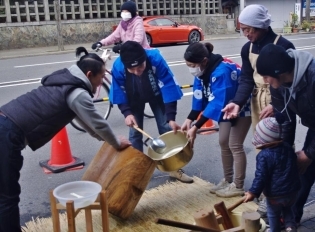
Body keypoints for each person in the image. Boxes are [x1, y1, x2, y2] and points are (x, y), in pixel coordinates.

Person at [0, 47, 131, 232]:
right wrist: (116, 142)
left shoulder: (67, 81)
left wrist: (103, 139)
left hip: (4, 123)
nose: (102, 82)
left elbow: (88, 123)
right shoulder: (78, 93)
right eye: (101, 77)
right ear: (89, 74)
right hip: (6, 134)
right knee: (7, 196)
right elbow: (98, 124)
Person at [256, 43, 315, 232]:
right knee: (301, 169)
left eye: (266, 76)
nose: (265, 81)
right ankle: (292, 215)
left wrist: (309, 154)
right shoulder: (279, 85)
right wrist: (286, 152)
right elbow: (286, 117)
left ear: (279, 71)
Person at [221, 3, 296, 219]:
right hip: (257, 101)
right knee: (262, 149)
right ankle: (266, 195)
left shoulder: (284, 44)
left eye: (249, 29)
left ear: (261, 26)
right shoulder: (247, 49)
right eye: (242, 29)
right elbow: (246, 78)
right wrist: (237, 102)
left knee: (282, 150)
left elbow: (292, 79)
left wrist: (278, 103)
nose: (246, 34)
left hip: (280, 101)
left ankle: (284, 200)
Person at [110, 40, 193, 183]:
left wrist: (171, 117)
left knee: (166, 128)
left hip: (157, 95)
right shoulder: (118, 67)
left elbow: (168, 84)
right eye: (132, 70)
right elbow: (118, 91)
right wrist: (127, 113)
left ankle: (173, 168)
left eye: (140, 67)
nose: (137, 72)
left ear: (144, 59)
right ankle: (138, 170)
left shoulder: (155, 58)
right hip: (133, 99)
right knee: (135, 134)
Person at [181, 42, 251, 196]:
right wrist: (189, 119)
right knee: (223, 142)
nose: (191, 68)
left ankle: (238, 185)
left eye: (192, 65)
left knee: (235, 144)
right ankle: (228, 179)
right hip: (226, 107)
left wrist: (196, 126)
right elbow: (199, 96)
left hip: (241, 106)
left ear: (204, 61)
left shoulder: (222, 71)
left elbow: (218, 102)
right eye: (188, 65)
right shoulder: (201, 71)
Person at [244, 117, 300, 232]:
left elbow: (261, 176)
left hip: (275, 195)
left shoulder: (263, 155)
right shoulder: (288, 147)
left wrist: (252, 192)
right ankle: (290, 228)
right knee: (288, 210)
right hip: (292, 192)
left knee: (273, 215)